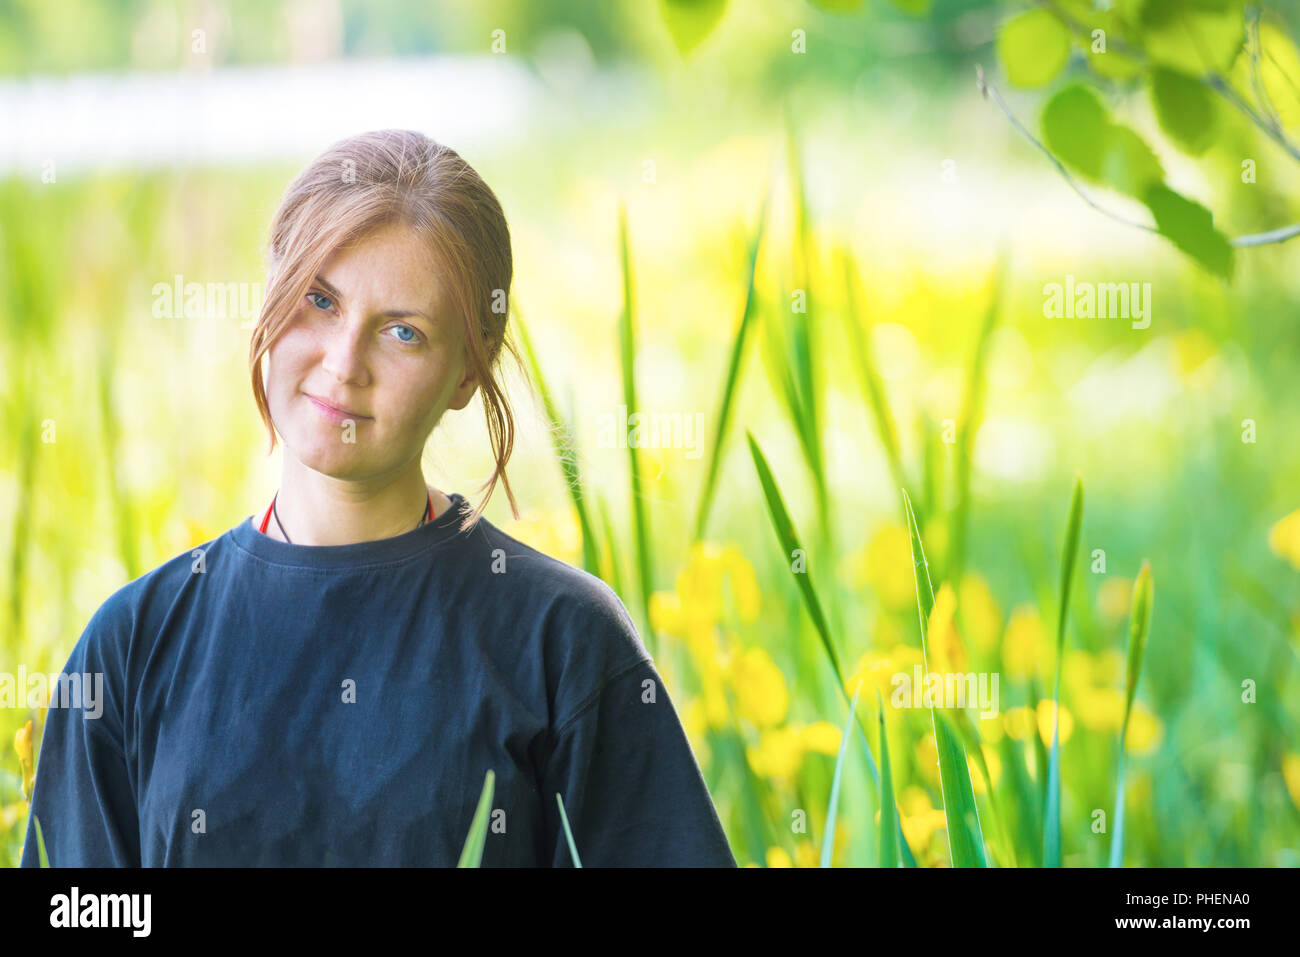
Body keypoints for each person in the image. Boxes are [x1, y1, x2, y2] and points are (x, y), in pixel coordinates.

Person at [21, 129, 736, 867]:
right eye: (319, 300)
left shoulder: (564, 643)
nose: (343, 364)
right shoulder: (131, 645)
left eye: (403, 331)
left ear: (467, 373)